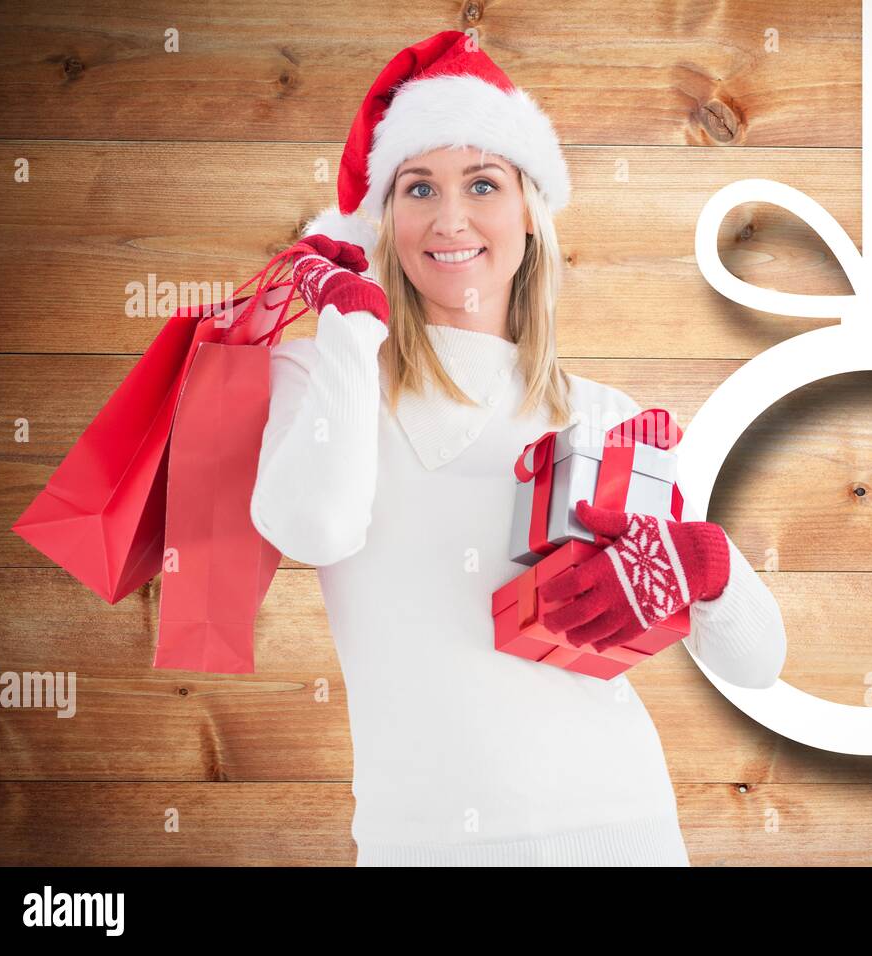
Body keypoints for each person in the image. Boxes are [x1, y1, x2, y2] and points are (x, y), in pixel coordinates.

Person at [250, 30, 787, 866]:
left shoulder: (604, 416)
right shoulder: (321, 372)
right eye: (418, 186)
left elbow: (757, 665)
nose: (451, 217)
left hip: (620, 833)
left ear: (529, 217)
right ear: (385, 219)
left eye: (483, 183)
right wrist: (351, 335)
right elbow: (312, 528)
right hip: (417, 847)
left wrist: (709, 567)